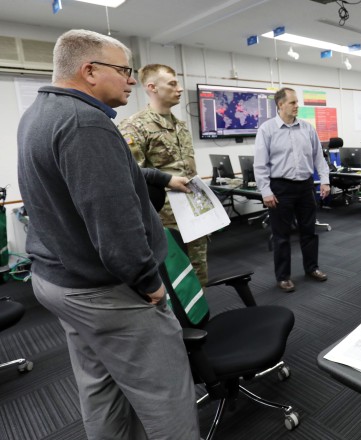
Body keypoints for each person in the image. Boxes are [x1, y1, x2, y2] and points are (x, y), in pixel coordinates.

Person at [16, 30, 200, 439]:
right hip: (107, 290)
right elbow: (114, 222)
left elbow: (112, 178)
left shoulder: (41, 112)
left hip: (59, 278)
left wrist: (159, 177)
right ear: (90, 71)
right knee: (165, 395)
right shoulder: (86, 123)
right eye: (124, 71)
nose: (131, 80)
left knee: (100, 388)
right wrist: (148, 282)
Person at [118, 64, 209, 286]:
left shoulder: (181, 126)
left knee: (199, 271)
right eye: (172, 83)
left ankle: (199, 318)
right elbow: (127, 173)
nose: (179, 88)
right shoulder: (135, 127)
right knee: (172, 279)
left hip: (194, 211)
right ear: (152, 87)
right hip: (163, 220)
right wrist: (166, 181)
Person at [253, 87, 331, 293]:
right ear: (280, 105)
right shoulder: (267, 129)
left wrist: (325, 180)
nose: (297, 106)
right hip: (280, 187)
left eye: (297, 102)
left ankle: (311, 268)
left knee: (309, 231)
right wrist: (265, 191)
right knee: (281, 235)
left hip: (305, 186)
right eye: (293, 102)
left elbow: (318, 158)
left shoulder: (307, 128)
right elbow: (260, 164)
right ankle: (283, 277)